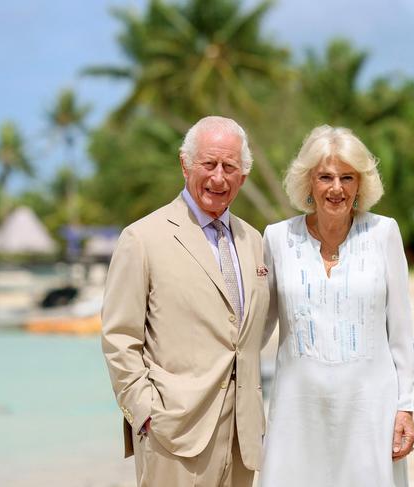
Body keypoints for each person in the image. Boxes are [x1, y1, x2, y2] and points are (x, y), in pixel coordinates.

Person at [101, 116, 270, 487]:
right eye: (208, 164)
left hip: (243, 438)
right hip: (173, 435)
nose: (218, 177)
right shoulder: (142, 238)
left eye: (230, 167)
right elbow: (119, 339)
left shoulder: (255, 241)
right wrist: (144, 413)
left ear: (243, 176)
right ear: (184, 164)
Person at [260, 125, 414, 487]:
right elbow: (257, 329)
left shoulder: (384, 233)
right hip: (297, 407)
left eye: (347, 177)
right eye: (326, 177)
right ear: (308, 183)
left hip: (370, 405)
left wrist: (405, 406)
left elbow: (402, 330)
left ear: (360, 184)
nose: (336, 188)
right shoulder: (277, 238)